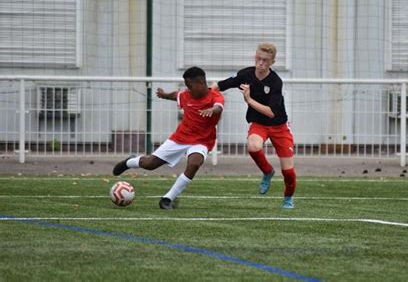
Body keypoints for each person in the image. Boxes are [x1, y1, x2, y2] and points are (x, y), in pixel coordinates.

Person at [113, 66, 224, 210]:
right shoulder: (186, 95)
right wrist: (164, 95)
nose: (187, 89)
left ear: (201, 82)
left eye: (189, 85)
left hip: (202, 141)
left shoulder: (215, 97)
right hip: (180, 138)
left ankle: (167, 199)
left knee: (194, 163)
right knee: (150, 164)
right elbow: (176, 95)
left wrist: (212, 110)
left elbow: (219, 107)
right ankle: (130, 162)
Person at [212, 42, 296, 209]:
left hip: (279, 126)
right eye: (258, 58)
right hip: (259, 124)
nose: (260, 63)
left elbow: (271, 112)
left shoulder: (275, 82)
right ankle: (267, 172)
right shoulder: (246, 74)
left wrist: (249, 100)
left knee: (288, 171)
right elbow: (222, 85)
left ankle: (288, 198)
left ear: (272, 62)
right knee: (253, 146)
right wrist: (207, 92)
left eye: (265, 60)